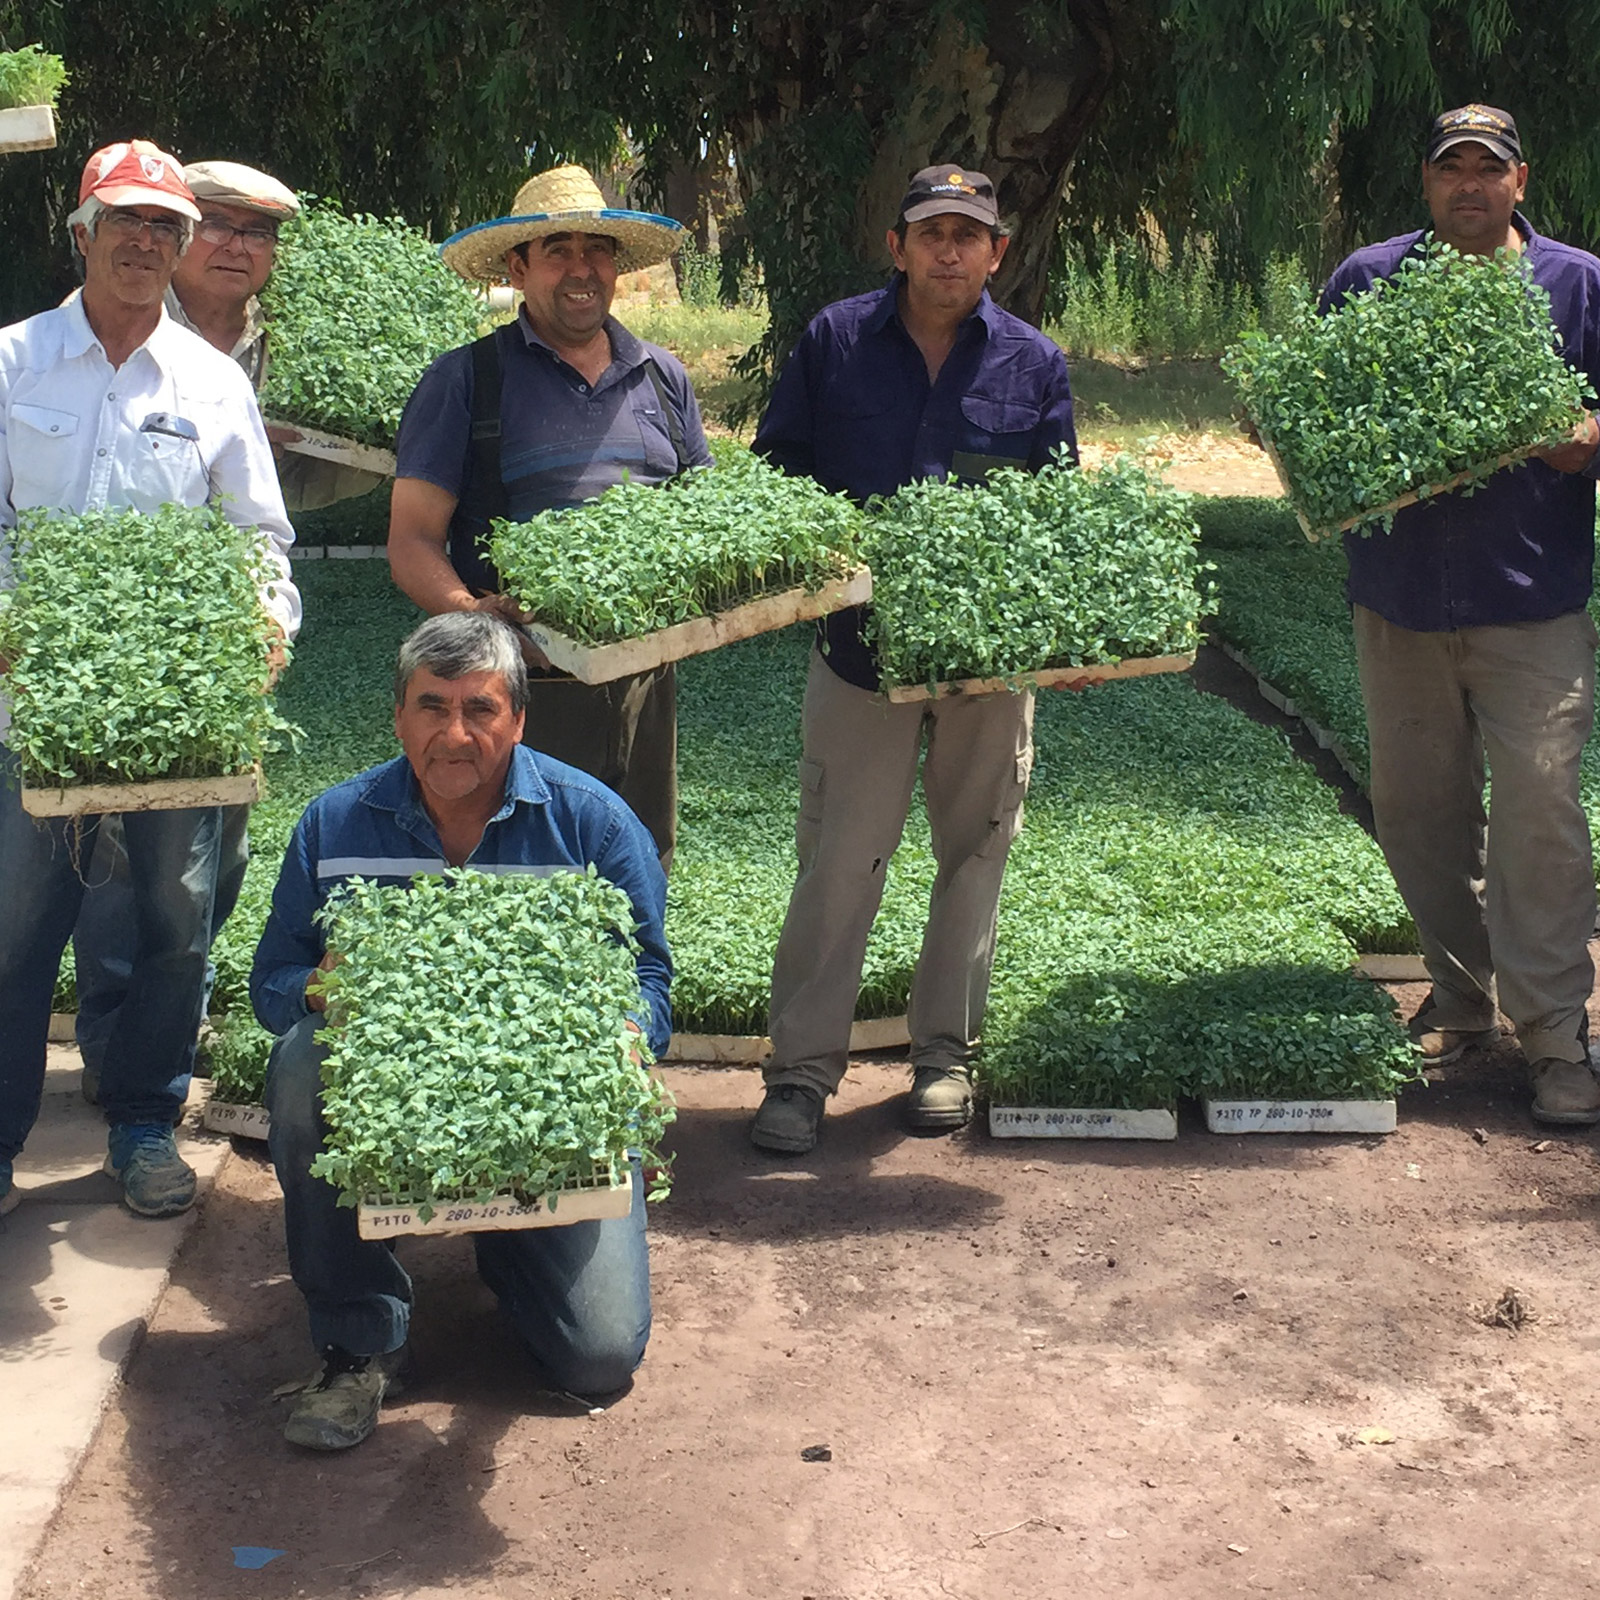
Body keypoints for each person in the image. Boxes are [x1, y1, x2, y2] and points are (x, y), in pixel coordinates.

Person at [251, 611, 670, 1452]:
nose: (454, 732)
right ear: (399, 716)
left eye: (480, 709)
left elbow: (651, 981)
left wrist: (628, 1031)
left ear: (518, 717)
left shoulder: (592, 822)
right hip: (391, 1085)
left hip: (551, 1116)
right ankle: (356, 1338)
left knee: (595, 1359)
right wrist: (319, 992)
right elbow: (271, 985)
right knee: (303, 1063)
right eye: (432, 707)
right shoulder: (334, 825)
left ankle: (508, 1238)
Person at [747, 165, 1077, 1154]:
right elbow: (777, 474)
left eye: (967, 234)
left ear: (996, 253)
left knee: (973, 855)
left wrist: (1074, 632)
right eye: (929, 231)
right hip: (859, 657)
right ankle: (799, 1074)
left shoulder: (1033, 362)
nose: (948, 249)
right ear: (896, 245)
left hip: (990, 662)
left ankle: (944, 1058)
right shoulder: (834, 342)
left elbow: (1058, 519)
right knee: (839, 863)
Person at [0, 141, 299, 1216]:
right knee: (13, 926)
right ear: (80, 231)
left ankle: (140, 1122)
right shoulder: (12, 363)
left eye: (165, 227)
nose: (145, 242)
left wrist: (265, 624)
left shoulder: (212, 383)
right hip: (27, 704)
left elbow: (259, 536)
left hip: (182, 709)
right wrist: (13, 627)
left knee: (176, 918)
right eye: (125, 221)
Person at [1318, 105, 1600, 1125]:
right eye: (1452, 170)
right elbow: (1325, 404)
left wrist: (1588, 432)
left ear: (1521, 182)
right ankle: (1464, 998)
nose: (1469, 186)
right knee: (1416, 812)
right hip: (1398, 601)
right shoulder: (1367, 279)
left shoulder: (1576, 284)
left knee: (1541, 817)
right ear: (1427, 183)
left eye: (1490, 169)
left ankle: (1558, 1036)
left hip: (1530, 604)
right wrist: (1282, 419)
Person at [388, 164, 712, 870]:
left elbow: (704, 519)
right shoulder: (467, 380)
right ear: (518, 266)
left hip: (646, 687)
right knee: (521, 872)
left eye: (596, 250)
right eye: (557, 251)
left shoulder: (663, 376)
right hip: (523, 690)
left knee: (637, 867)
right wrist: (478, 615)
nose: (581, 269)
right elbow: (411, 542)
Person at [73, 160, 301, 1104]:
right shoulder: (43, 355)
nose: (235, 245)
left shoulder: (255, 363)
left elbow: (263, 528)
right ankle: (111, 1045)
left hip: (204, 669)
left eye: (259, 233)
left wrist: (265, 620)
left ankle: (155, 1059)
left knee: (196, 875)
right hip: (59, 672)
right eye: (215, 224)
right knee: (73, 884)